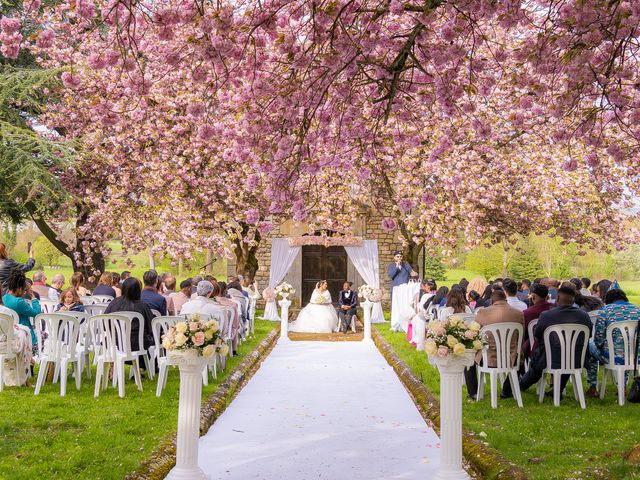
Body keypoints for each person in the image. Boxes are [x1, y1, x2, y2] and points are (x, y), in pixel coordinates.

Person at [505, 284, 592, 398]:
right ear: (573, 299)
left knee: (540, 357)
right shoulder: (584, 316)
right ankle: (556, 390)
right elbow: (588, 335)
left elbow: (537, 336)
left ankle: (521, 386)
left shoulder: (547, 315)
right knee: (563, 355)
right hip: (577, 358)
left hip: (550, 359)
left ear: (558, 298)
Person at [464, 287, 524, 399]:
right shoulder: (519, 313)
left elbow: (474, 333)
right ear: (506, 300)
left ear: (492, 301)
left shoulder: (482, 312)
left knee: (468, 356)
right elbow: (522, 336)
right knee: (521, 354)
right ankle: (507, 390)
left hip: (488, 357)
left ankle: (473, 392)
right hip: (511, 358)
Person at [585, 289, 640, 397]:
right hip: (636, 357)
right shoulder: (637, 310)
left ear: (608, 300)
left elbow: (598, 339)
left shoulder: (605, 310)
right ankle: (622, 386)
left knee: (589, 345)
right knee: (626, 350)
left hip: (614, 357)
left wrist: (603, 346)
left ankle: (593, 386)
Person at [104, 277, 154, 359]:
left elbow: (105, 322)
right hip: (137, 344)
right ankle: (143, 364)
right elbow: (150, 327)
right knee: (147, 339)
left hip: (115, 342)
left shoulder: (114, 303)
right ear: (138, 290)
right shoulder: (142, 306)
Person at [0, 285, 34, 387]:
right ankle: (24, 379)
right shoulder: (4, 311)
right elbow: (9, 333)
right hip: (4, 346)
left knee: (22, 335)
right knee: (23, 337)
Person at [2, 271, 41, 350]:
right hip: (23, 338)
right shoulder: (19, 302)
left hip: (7, 337)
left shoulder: (3, 298)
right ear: (20, 289)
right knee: (43, 337)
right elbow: (37, 313)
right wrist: (33, 297)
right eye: (24, 290)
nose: (24, 292)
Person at [521, 283, 554, 359]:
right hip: (555, 347)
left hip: (534, 350)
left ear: (533, 296)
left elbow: (524, 335)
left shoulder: (527, 313)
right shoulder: (555, 309)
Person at [214, 281, 241, 355]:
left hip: (213, 330)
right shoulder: (233, 305)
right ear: (226, 290)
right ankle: (234, 351)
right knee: (234, 327)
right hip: (226, 332)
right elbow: (235, 324)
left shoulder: (211, 303)